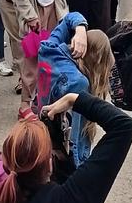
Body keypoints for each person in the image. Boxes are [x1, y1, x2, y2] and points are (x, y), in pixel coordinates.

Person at [0, 90, 132, 203]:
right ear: (49, 165)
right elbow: (123, 126)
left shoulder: (3, 196)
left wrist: (61, 155)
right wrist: (74, 100)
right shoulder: (68, 198)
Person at [37, 12, 114, 166]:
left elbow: (68, 18)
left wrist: (80, 29)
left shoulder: (49, 50)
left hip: (41, 126)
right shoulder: (79, 83)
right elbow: (75, 137)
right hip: (60, 150)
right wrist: (81, 168)